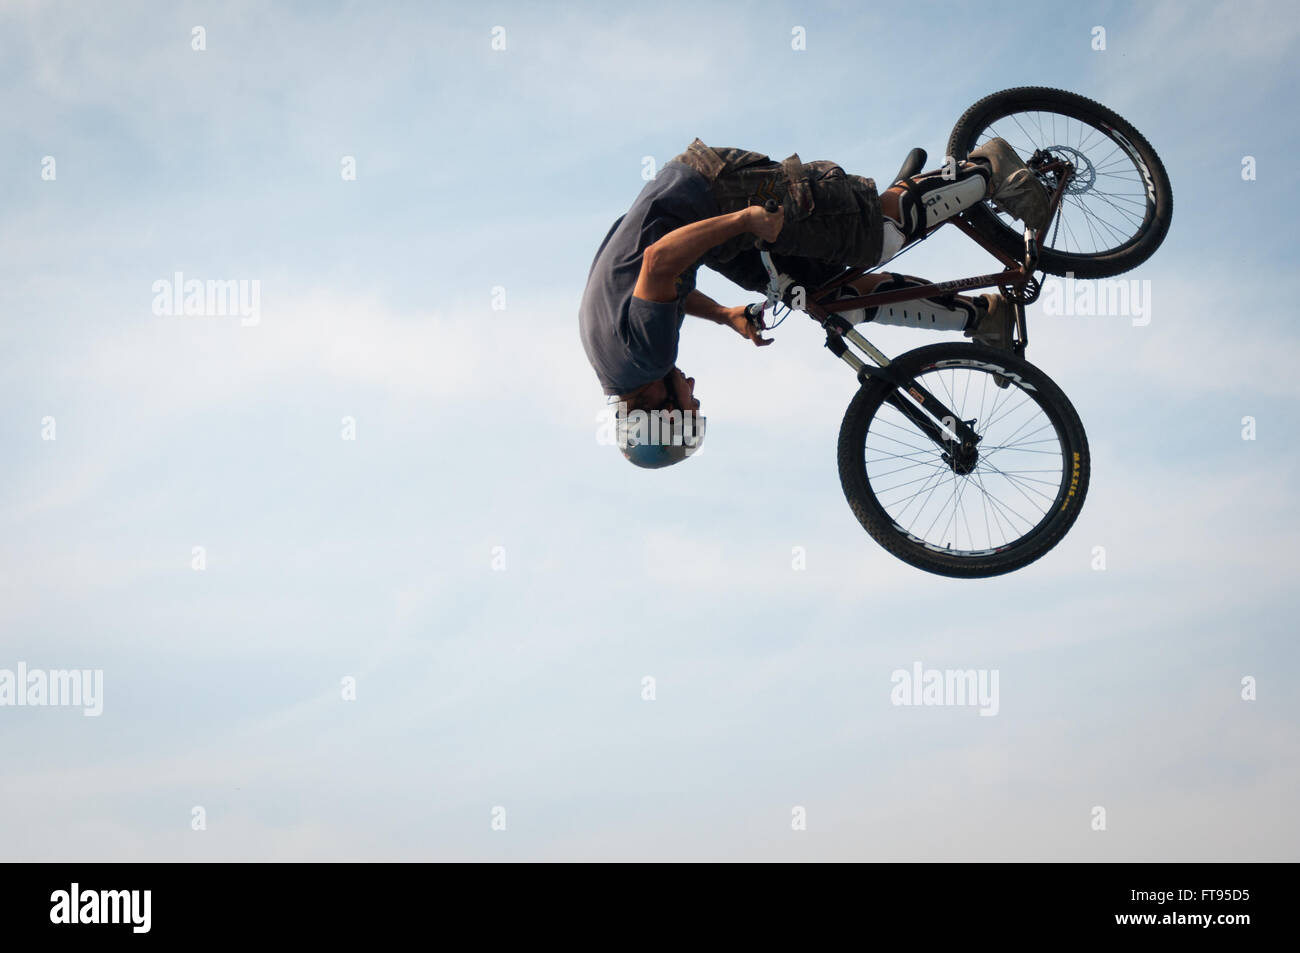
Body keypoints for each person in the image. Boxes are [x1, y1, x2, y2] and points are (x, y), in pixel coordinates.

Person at [578, 137, 1050, 468]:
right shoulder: (614, 363)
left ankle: (989, 168)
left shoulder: (647, 358)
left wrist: (744, 219)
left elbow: (659, 260)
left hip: (713, 192)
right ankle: (984, 316)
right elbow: (661, 286)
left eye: (690, 404)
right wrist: (724, 315)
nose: (694, 389)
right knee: (825, 298)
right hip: (701, 217)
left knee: (873, 238)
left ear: (660, 413)